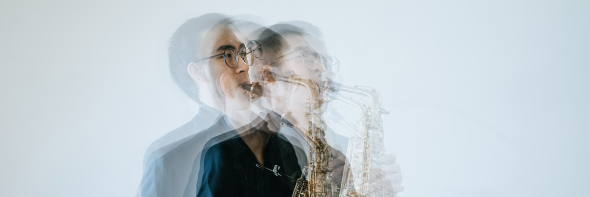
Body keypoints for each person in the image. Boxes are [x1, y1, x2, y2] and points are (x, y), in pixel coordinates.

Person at [139, 13, 265, 197]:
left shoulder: (269, 144)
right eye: (228, 55)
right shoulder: (167, 156)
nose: (244, 66)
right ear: (197, 72)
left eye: (243, 53)